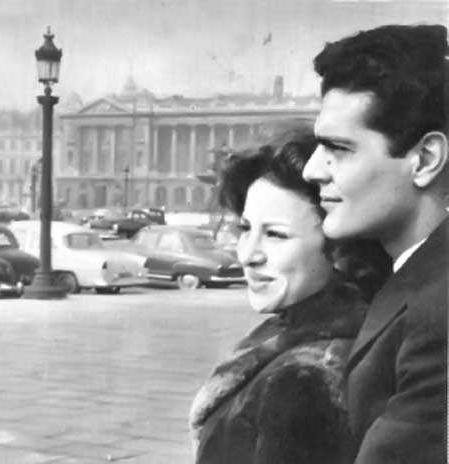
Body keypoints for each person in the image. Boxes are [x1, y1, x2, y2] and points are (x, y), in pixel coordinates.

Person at [189, 124, 391, 464]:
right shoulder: (316, 339)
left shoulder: (303, 382)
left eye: (276, 235)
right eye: (245, 229)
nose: (248, 254)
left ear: (340, 248)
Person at [302, 24, 448, 464]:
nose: (312, 170)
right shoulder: (418, 276)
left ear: (424, 160)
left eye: (339, 148)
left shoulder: (438, 314)